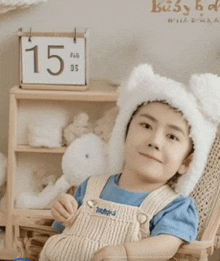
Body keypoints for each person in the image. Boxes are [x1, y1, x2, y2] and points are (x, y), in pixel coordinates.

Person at [39, 64, 220, 261]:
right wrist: (62, 209)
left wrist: (126, 253)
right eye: (146, 125)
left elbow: (167, 244)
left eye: (172, 136)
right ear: (123, 136)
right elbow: (64, 226)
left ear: (186, 162)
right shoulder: (91, 185)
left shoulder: (175, 207)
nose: (155, 141)